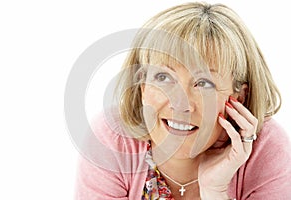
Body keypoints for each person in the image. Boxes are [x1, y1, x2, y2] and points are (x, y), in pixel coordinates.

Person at [75, 2, 291, 199]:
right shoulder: (112, 138)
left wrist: (215, 191)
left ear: (238, 98)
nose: (180, 104)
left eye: (204, 83)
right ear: (142, 86)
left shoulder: (266, 149)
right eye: (163, 77)